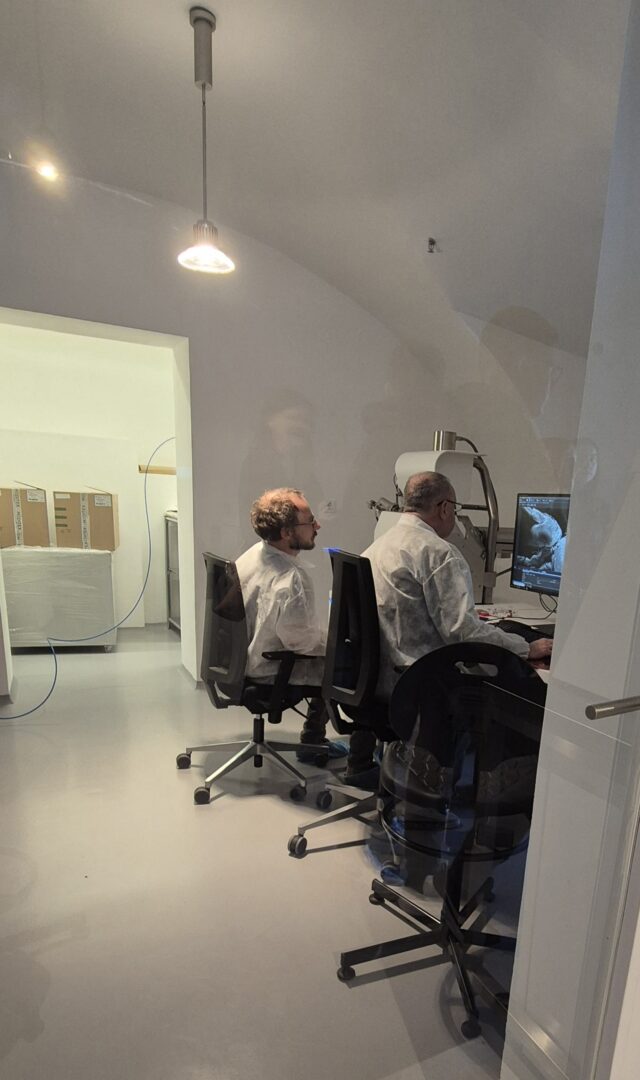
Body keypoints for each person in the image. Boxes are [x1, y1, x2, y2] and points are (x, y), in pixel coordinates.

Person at [346, 471, 553, 785]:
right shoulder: (438, 553)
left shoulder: (378, 546)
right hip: (417, 684)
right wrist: (527, 647)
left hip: (378, 680)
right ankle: (485, 791)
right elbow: (463, 633)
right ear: (444, 508)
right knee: (517, 693)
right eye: (454, 509)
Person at [235, 487, 348, 761]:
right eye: (310, 521)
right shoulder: (290, 577)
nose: (317, 526)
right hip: (270, 670)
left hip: (241, 661)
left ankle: (314, 737)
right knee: (346, 662)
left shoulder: (253, 554)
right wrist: (338, 641)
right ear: (287, 533)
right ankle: (322, 744)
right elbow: (300, 642)